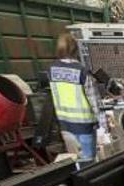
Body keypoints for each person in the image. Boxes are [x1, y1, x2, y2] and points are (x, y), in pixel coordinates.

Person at [49, 33, 102, 166]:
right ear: (76, 49)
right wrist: (102, 122)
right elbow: (93, 100)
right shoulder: (82, 71)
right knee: (88, 162)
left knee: (75, 160)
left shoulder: (52, 70)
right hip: (84, 123)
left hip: (65, 123)